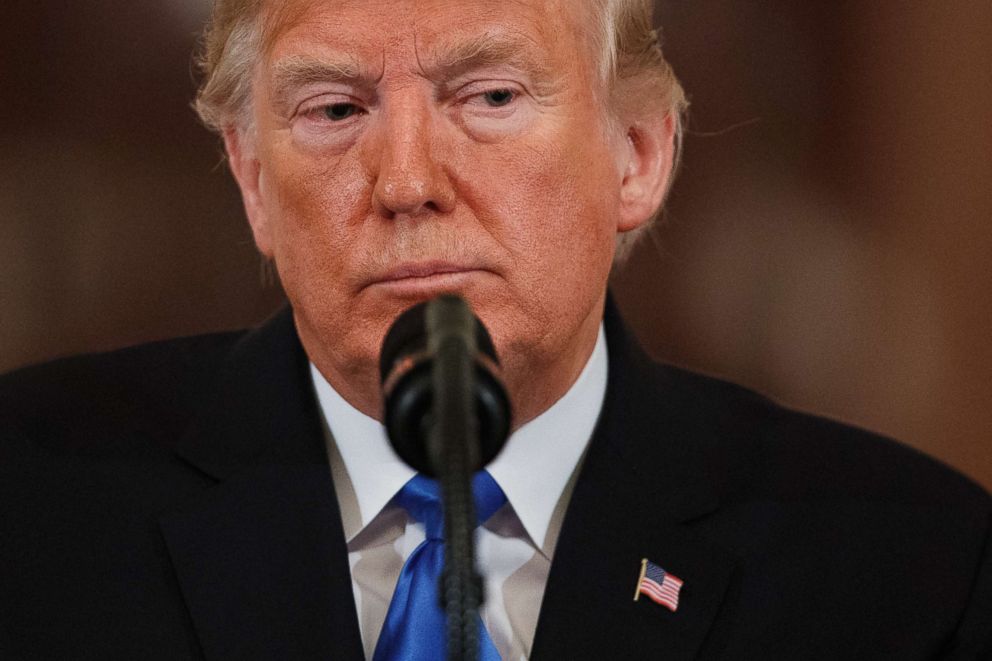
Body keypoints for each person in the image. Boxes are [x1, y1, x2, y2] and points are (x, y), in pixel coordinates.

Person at [1, 0, 990, 659]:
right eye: (335, 108)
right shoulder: (30, 507)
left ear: (636, 152)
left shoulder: (912, 572)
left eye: (488, 97)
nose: (404, 183)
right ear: (253, 180)